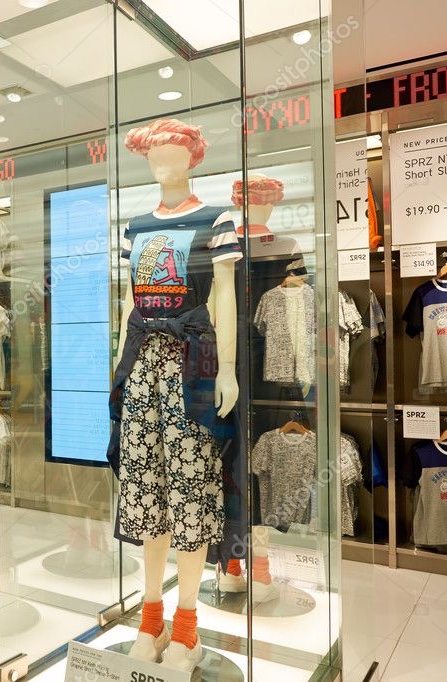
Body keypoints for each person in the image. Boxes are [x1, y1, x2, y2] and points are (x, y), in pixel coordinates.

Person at [108, 118, 242, 672]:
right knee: (146, 491)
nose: (162, 162)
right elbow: (129, 302)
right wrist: (120, 364)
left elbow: (225, 295)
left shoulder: (217, 219)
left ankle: (187, 626)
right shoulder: (136, 226)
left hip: (194, 360)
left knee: (190, 487)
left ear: (193, 157)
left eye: (172, 152)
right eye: (153, 154)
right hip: (143, 362)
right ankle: (151, 618)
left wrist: (227, 369)